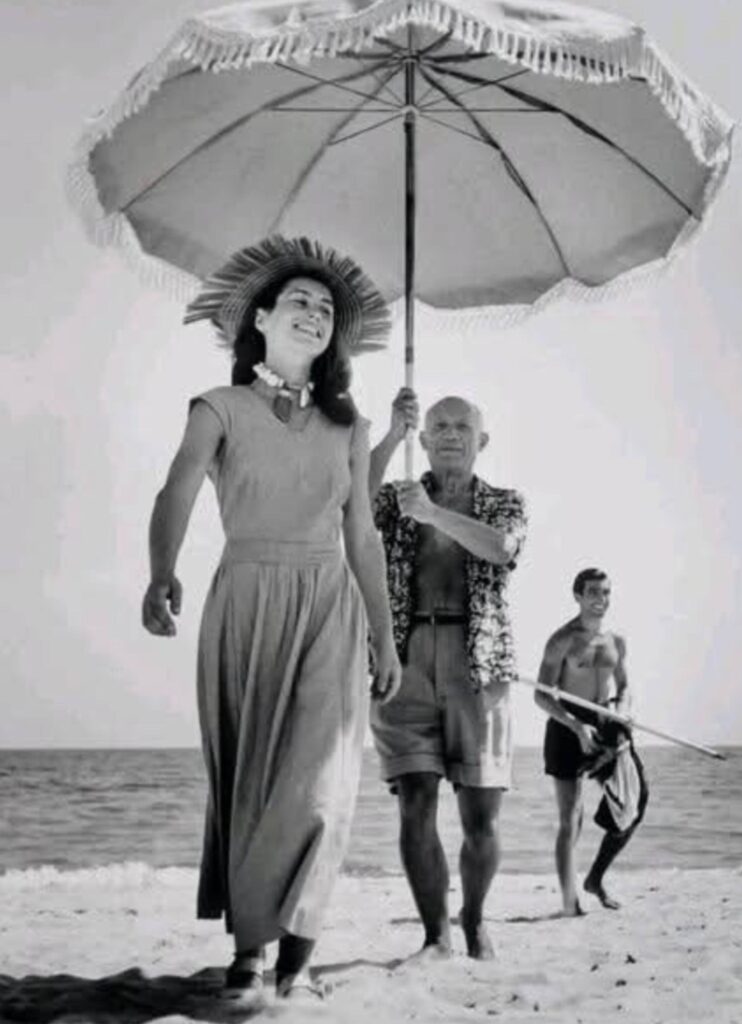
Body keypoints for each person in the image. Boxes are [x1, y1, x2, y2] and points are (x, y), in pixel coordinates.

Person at [141, 236, 401, 1003]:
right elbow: (178, 488)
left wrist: (385, 635)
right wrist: (161, 571)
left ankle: (299, 949)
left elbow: (362, 537)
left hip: (329, 605)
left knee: (322, 784)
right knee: (253, 781)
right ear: (261, 317)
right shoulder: (217, 407)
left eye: (326, 308)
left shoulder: (351, 427)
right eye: (300, 301)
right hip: (246, 598)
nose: (315, 313)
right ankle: (251, 949)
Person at [369, 389, 528, 961]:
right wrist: (392, 434)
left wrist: (434, 514)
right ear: (425, 438)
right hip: (405, 657)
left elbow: (502, 550)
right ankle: (435, 935)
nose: (451, 434)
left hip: (478, 663)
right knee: (414, 801)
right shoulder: (398, 498)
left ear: (482, 440)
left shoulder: (505, 501)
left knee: (481, 814)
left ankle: (475, 919)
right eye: (439, 426)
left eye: (463, 426)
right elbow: (349, 501)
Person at [535, 568, 648, 917]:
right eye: (594, 592)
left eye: (606, 592)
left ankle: (595, 878)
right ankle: (569, 902)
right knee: (571, 818)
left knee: (635, 804)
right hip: (567, 725)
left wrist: (623, 711)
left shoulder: (616, 641)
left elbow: (624, 686)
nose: (601, 599)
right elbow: (541, 695)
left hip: (607, 722)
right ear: (578, 596)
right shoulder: (562, 640)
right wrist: (576, 726)